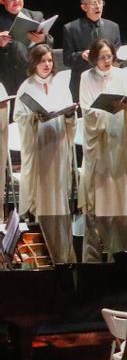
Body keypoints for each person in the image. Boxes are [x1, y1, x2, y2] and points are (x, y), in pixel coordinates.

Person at [14, 43, 75, 262]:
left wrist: (69, 115)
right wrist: (33, 118)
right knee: (43, 196)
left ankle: (63, 253)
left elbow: (69, 111)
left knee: (59, 196)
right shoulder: (26, 87)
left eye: (50, 60)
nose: (47, 65)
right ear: (34, 63)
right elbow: (20, 118)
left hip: (58, 146)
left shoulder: (60, 85)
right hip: (40, 149)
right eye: (42, 61)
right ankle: (43, 252)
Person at [78, 39, 127, 262]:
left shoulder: (122, 75)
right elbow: (86, 108)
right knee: (98, 194)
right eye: (102, 57)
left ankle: (121, 253)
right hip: (98, 144)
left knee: (119, 193)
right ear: (94, 58)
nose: (106, 61)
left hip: (118, 140)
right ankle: (95, 253)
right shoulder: (86, 77)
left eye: (109, 56)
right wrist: (106, 110)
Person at [61, 0, 121, 99]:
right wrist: (81, 55)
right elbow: (66, 59)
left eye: (100, 2)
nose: (98, 6)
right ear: (84, 7)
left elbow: (118, 55)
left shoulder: (113, 27)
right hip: (82, 85)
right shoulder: (71, 28)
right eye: (94, 3)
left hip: (109, 84)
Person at [0, 0, 54, 93]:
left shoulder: (35, 16)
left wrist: (43, 39)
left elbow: (50, 43)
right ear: (2, 0)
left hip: (33, 75)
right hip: (7, 79)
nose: (16, 0)